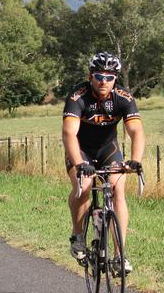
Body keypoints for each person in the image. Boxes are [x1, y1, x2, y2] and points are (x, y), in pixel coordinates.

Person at [62, 51, 145, 274]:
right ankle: (78, 235)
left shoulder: (123, 97)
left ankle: (120, 256)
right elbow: (69, 133)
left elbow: (136, 131)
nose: (104, 81)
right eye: (99, 76)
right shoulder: (78, 96)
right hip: (80, 150)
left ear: (115, 79)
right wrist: (79, 164)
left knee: (118, 189)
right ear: (91, 76)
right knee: (85, 186)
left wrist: (135, 160)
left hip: (109, 149)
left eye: (109, 77)